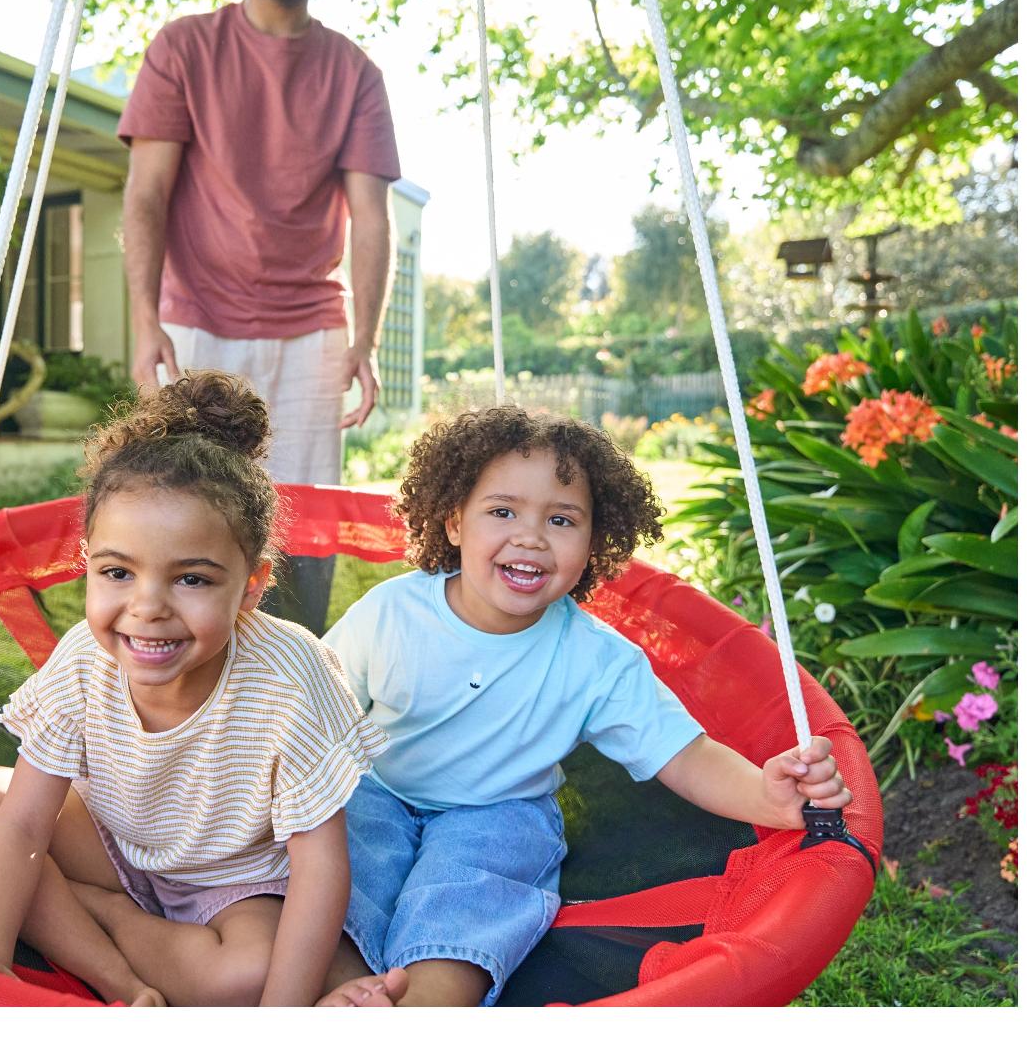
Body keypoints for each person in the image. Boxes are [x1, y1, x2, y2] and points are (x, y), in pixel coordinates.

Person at [314, 407, 854, 1007]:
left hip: (500, 812)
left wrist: (764, 797)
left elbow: (686, 754)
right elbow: (314, 709)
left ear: (594, 544)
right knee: (341, 859)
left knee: (471, 893)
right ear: (454, 522)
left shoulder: (597, 659)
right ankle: (343, 994)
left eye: (561, 520)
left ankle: (428, 1004)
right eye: (502, 511)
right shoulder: (391, 613)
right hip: (380, 789)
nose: (530, 537)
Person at [0, 370, 387, 1006]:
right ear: (87, 562)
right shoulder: (84, 660)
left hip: (234, 884)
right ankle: (121, 978)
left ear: (252, 586)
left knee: (245, 976)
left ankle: (103, 921)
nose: (148, 607)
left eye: (191, 579)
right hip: (110, 844)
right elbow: (22, 826)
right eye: (118, 572)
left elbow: (320, 871)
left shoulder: (292, 676)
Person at [117, 0, 401, 632]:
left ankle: (294, 673)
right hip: (197, 319)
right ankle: (178, 666)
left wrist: (365, 340)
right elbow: (146, 192)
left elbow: (371, 218)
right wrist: (146, 320)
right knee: (184, 505)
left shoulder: (354, 72)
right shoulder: (184, 47)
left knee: (304, 526)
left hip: (313, 328)